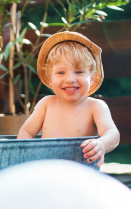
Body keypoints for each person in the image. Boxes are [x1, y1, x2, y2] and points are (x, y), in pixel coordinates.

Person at [17, 31, 120, 167]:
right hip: (46, 170)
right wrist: (28, 154)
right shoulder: (46, 104)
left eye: (79, 72)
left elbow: (112, 133)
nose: (70, 79)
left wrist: (101, 144)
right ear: (50, 79)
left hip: (81, 173)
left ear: (92, 77)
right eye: (60, 73)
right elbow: (26, 132)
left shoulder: (95, 107)